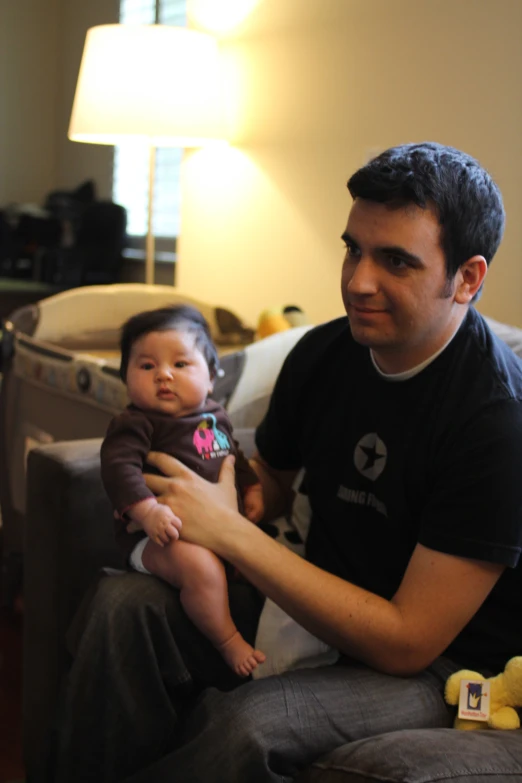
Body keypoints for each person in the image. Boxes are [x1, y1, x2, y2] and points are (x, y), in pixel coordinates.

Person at [55, 142, 522, 783]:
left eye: (395, 261)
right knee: (121, 607)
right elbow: (271, 480)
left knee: (252, 724)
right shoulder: (326, 353)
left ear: (466, 278)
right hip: (311, 603)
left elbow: (408, 639)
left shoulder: (496, 419)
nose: (358, 281)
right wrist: (216, 494)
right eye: (353, 248)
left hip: (441, 667)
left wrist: (233, 533)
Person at [100, 304, 266, 677]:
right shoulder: (136, 424)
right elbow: (118, 469)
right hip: (156, 540)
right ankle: (227, 640)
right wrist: (147, 511)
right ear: (126, 377)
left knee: (264, 560)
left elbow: (231, 455)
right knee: (200, 567)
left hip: (218, 531)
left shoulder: (215, 417)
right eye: (146, 366)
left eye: (180, 364)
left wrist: (251, 487)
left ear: (210, 378)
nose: (163, 375)